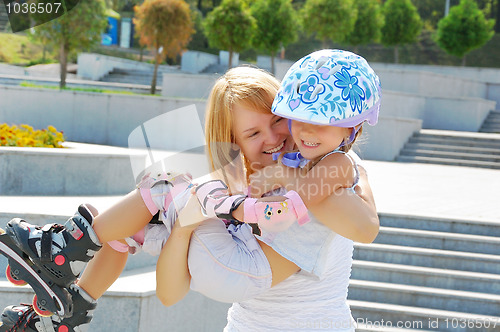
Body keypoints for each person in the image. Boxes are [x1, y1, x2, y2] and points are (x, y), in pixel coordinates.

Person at [1, 52, 379, 331]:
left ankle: (65, 248)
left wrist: (284, 174)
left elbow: (366, 226)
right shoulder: (238, 187)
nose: (277, 138)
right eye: (252, 134)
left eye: (279, 120)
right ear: (232, 143)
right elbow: (169, 296)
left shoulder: (326, 170)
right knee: (134, 224)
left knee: (167, 185)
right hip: (241, 316)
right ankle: (76, 301)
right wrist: (182, 228)